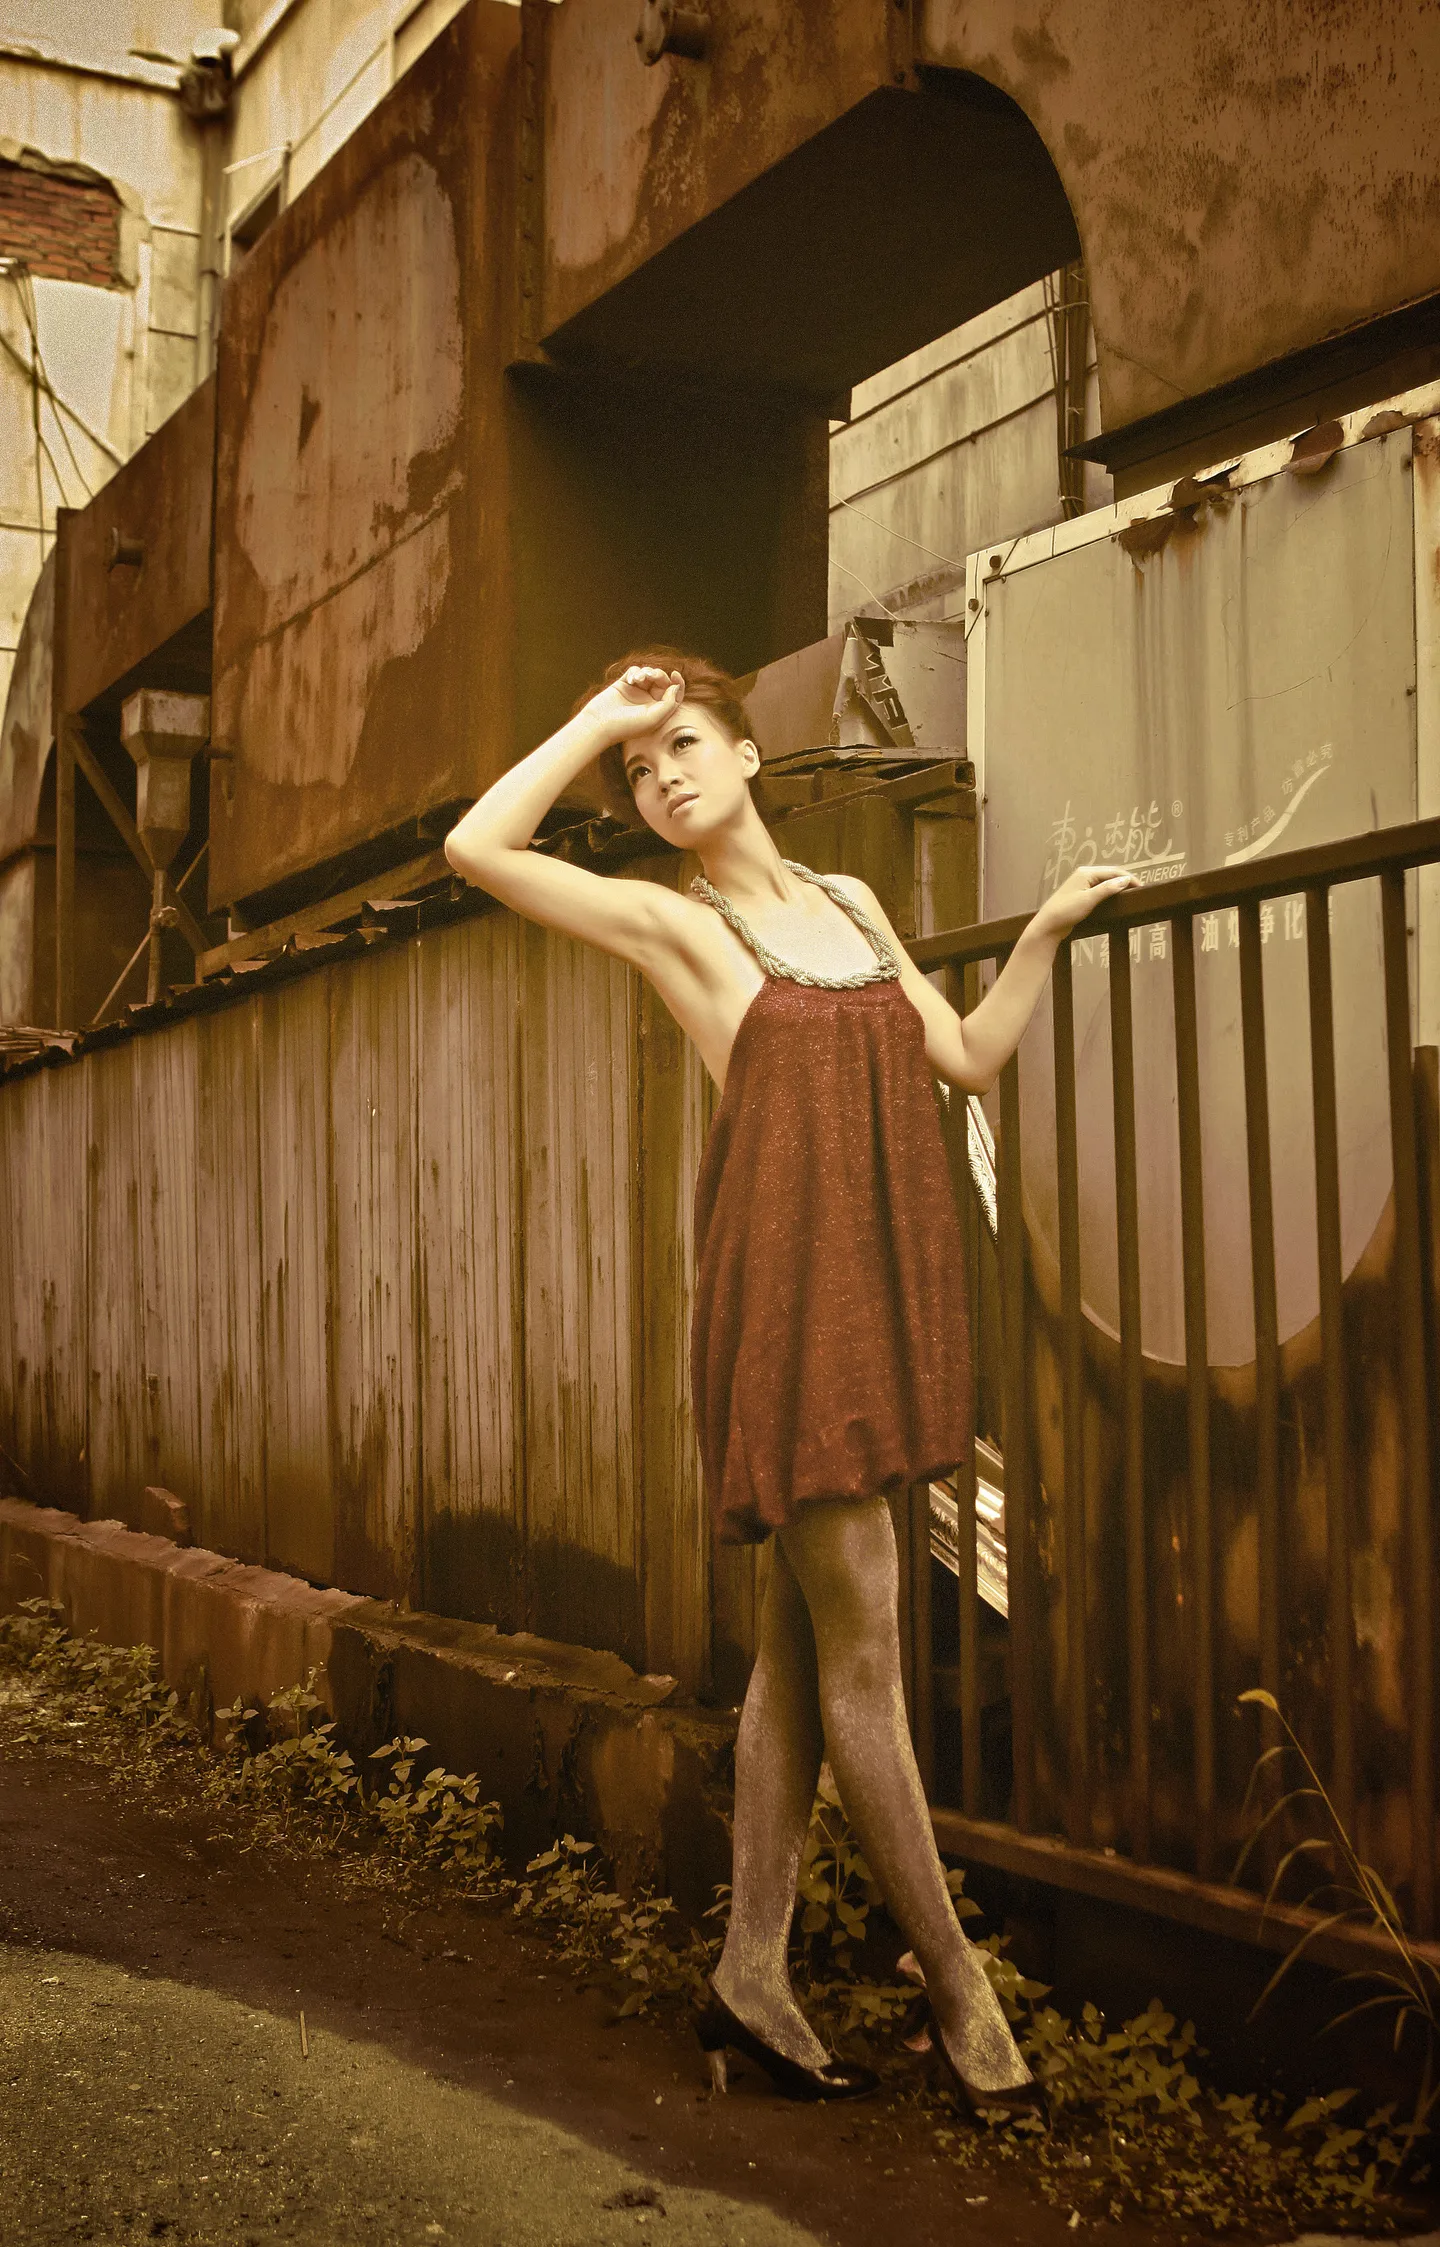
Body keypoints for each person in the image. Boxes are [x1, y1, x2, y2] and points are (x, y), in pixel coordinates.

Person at [445, 651, 1136, 2120]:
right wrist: (596, 719)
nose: (663, 779)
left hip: (880, 1291)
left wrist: (1045, 933)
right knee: (866, 1656)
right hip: (789, 1309)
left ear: (752, 754)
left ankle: (749, 1975)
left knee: (798, 1650)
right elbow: (476, 849)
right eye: (642, 772)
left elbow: (966, 1057)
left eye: (686, 745)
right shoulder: (676, 926)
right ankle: (967, 2002)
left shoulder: (854, 904)